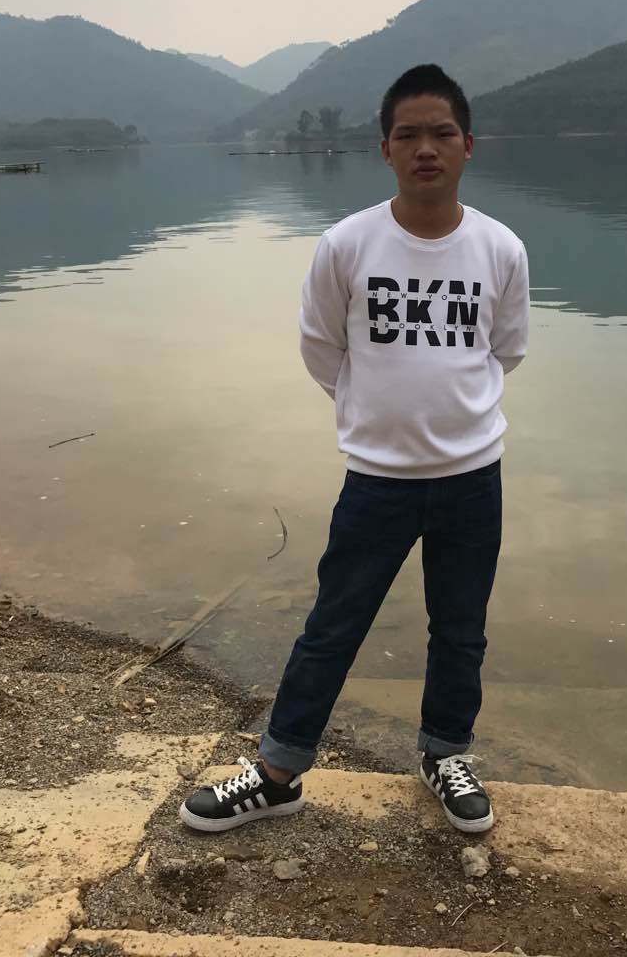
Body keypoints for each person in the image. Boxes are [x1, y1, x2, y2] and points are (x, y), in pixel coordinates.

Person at [181, 64, 529, 836]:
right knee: (334, 625)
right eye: (409, 135)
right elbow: (321, 347)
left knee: (461, 629)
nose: (426, 148)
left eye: (442, 133)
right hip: (378, 480)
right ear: (385, 149)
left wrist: (447, 412)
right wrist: (373, 414)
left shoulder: (501, 249)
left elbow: (504, 351)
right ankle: (278, 773)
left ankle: (445, 755)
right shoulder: (347, 244)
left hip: (474, 477)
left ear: (468, 145)